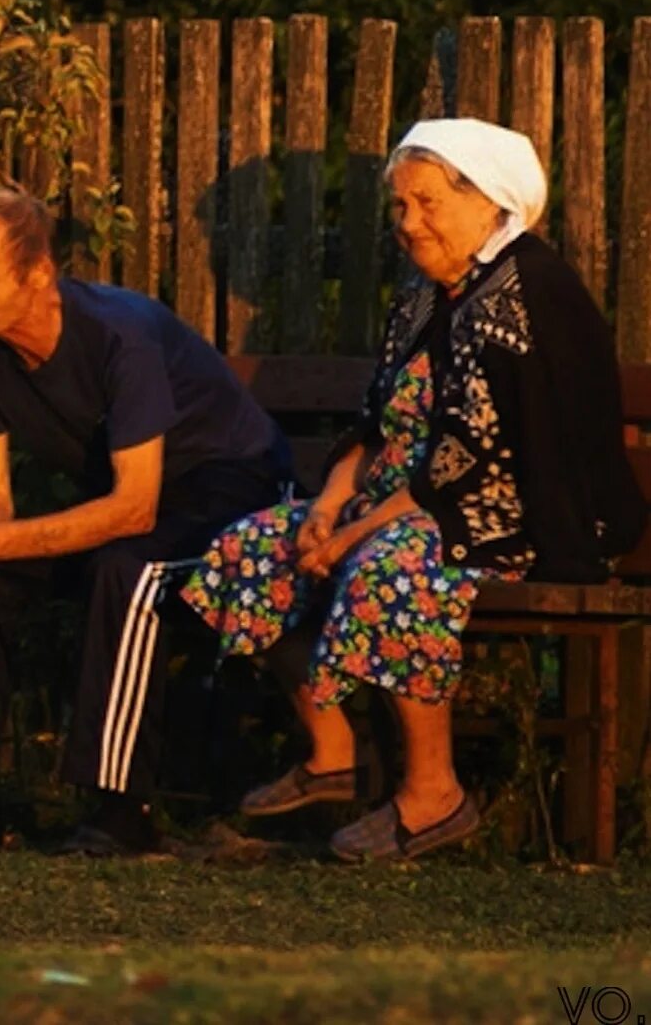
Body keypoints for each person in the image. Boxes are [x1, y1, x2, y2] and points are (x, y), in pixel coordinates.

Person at [175, 116, 648, 860]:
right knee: (253, 548)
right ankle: (331, 755)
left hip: (521, 512)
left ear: (489, 201)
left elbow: (468, 462)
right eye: (399, 206)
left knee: (393, 564)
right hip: (402, 504)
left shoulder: (524, 291)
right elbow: (372, 426)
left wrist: (351, 536)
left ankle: (434, 796)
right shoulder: (427, 297)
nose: (407, 222)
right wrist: (326, 509)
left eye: (425, 203)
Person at [0, 187, 292, 855]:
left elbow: (134, 508)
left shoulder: (122, 335)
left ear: (37, 274)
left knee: (127, 573)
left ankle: (120, 812)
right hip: (128, 499)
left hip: (230, 493)